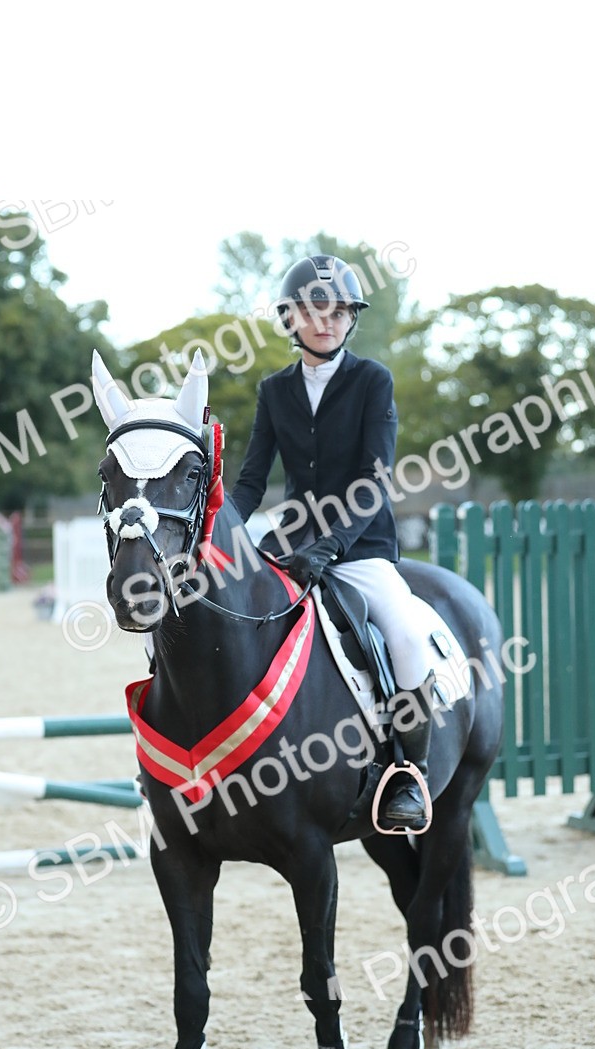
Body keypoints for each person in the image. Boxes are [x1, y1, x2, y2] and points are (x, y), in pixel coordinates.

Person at [231, 253, 436, 829]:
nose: (328, 321)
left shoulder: (373, 380)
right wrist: (218, 530)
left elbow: (375, 481)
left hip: (362, 545)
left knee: (407, 636)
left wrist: (332, 546)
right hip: (292, 542)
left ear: (351, 320)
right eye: (315, 309)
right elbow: (251, 480)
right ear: (291, 317)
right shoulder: (274, 390)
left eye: (340, 311)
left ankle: (407, 777)